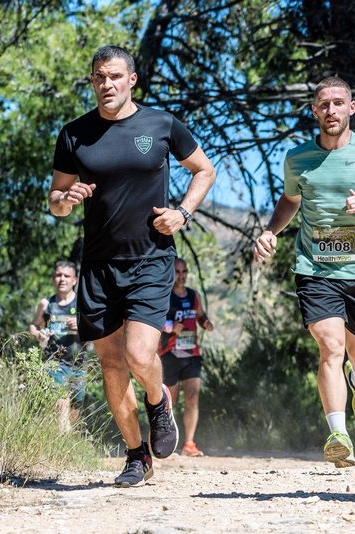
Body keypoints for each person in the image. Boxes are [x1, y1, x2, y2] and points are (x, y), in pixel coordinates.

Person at [49, 45, 216, 487]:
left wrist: (183, 213)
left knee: (139, 354)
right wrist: (65, 199)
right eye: (99, 77)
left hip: (151, 258)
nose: (107, 84)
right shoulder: (74, 134)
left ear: (132, 80)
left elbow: (204, 170)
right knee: (110, 363)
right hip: (99, 265)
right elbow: (55, 199)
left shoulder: (161, 124)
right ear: (92, 81)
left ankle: (158, 402)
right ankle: (136, 455)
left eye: (115, 76)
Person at [253, 76, 355, 468]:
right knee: (331, 347)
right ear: (314, 111)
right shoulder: (298, 158)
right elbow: (290, 200)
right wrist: (270, 232)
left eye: (339, 102)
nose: (331, 110)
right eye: (324, 104)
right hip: (315, 268)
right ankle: (339, 434)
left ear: (351, 107)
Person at [158, 258, 214, 457]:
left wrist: (206, 323)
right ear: (170, 273)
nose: (181, 276)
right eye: (177, 272)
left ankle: (189, 443)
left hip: (191, 354)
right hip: (170, 354)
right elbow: (154, 321)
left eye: (184, 272)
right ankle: (167, 444)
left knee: (192, 398)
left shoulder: (193, 295)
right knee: (170, 402)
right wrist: (170, 327)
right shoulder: (164, 296)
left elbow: (200, 315)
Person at [28, 260, 86, 432]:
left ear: (74, 280)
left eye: (66, 276)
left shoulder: (82, 304)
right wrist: (38, 334)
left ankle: (68, 437)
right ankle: (63, 434)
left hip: (78, 363)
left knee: (76, 404)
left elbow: (97, 330)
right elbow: (33, 326)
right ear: (53, 279)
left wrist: (81, 326)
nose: (62, 279)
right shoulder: (46, 304)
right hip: (54, 361)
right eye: (58, 275)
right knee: (61, 398)